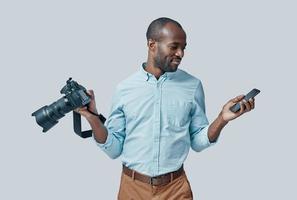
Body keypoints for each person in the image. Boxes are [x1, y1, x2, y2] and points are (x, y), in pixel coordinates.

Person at [75, 17, 255, 199]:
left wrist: (222, 119)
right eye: (174, 46)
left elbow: (198, 142)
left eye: (183, 48)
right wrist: (92, 117)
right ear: (152, 45)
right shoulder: (124, 89)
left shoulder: (192, 85)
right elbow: (113, 149)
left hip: (176, 189)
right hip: (132, 189)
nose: (180, 54)